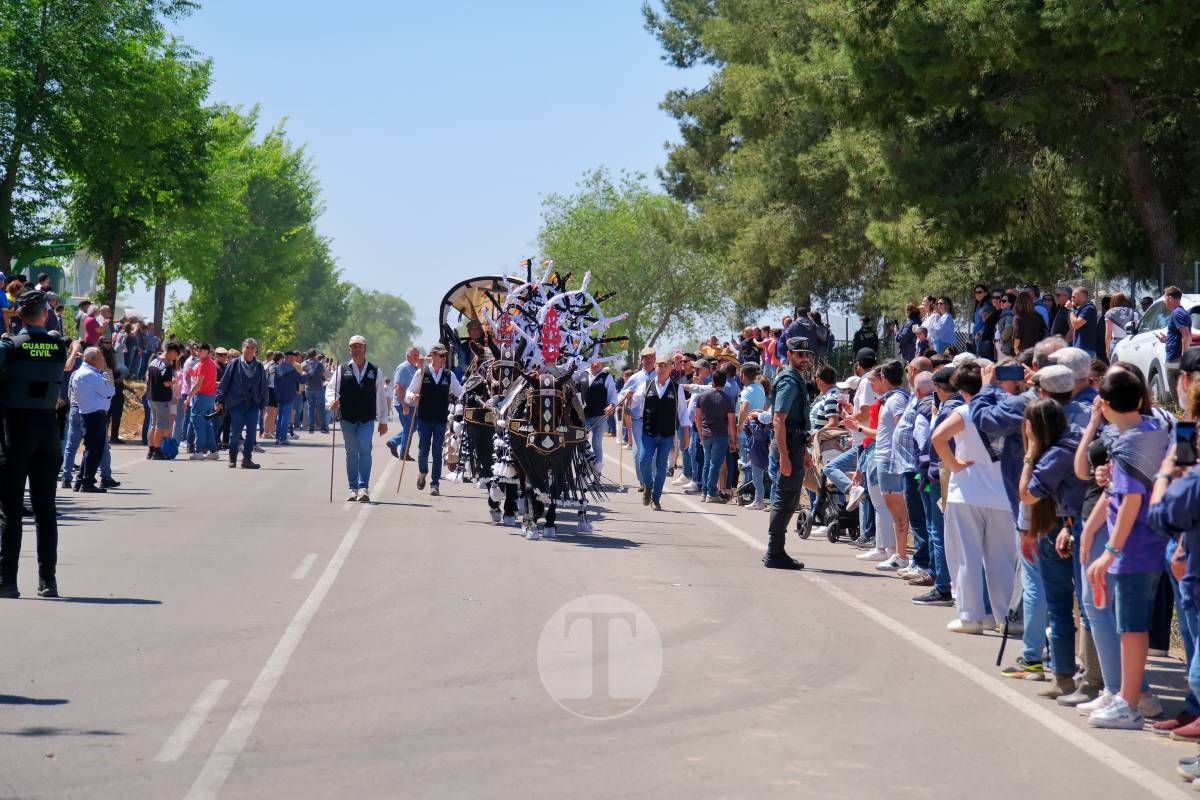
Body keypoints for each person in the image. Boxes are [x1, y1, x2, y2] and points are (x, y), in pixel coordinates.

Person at [931, 362, 1017, 633]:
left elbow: (937, 437)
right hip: (1003, 495)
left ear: (962, 391)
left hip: (967, 492)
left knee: (965, 556)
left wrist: (954, 465)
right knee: (1003, 561)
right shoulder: (1007, 410)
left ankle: (970, 616)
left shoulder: (965, 411)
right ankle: (1008, 618)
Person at [0, 290, 70, 598]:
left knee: (10, 510)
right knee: (45, 509)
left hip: (15, 430)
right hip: (47, 430)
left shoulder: (10, 346)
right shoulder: (58, 347)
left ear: (18, 314)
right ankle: (47, 581)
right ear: (45, 314)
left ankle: (7, 582)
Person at [764, 337, 814, 570]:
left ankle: (776, 551)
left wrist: (802, 452)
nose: (805, 359)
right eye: (800, 354)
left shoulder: (796, 379)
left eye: (807, 355)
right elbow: (778, 420)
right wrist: (784, 455)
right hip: (788, 446)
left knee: (790, 498)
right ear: (790, 354)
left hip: (794, 445)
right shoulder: (789, 381)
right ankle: (774, 552)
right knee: (785, 499)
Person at [325, 335, 391, 501]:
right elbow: (331, 389)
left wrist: (383, 420)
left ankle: (363, 487)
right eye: (354, 347)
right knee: (351, 452)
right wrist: (332, 400)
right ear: (349, 350)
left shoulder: (375, 371)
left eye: (359, 346)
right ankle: (352, 488)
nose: (357, 349)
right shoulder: (342, 369)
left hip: (367, 418)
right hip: (347, 417)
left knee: (365, 449)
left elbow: (380, 397)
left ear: (365, 348)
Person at [403, 342, 461, 497]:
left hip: (441, 419)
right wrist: (413, 397)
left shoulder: (449, 375)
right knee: (423, 449)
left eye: (445, 355)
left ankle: (435, 484)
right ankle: (423, 472)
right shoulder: (422, 373)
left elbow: (460, 392)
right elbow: (409, 392)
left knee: (437, 451)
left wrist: (468, 398)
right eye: (441, 355)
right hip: (424, 418)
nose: (444, 358)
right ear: (432, 356)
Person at [638, 354, 689, 511]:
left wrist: (686, 435)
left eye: (665, 365)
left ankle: (656, 498)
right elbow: (634, 402)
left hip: (667, 435)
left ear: (671, 367)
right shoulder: (646, 385)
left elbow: (683, 413)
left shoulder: (677, 388)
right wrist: (627, 399)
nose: (662, 368)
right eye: (659, 365)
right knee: (643, 460)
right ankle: (648, 485)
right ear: (655, 367)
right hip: (648, 433)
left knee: (661, 468)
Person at [214, 338, 268, 470]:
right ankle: (232, 458)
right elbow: (224, 383)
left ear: (255, 351)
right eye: (247, 347)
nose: (249, 350)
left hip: (253, 403)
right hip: (237, 403)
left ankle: (247, 459)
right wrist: (219, 400)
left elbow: (263, 386)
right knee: (235, 432)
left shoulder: (259, 366)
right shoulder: (235, 363)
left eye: (252, 348)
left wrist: (263, 405)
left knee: (251, 433)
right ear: (243, 349)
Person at [70, 347, 115, 494]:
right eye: (101, 358)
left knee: (91, 449)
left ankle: (81, 481)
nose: (103, 361)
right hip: (94, 415)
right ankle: (87, 482)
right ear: (93, 360)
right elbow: (110, 391)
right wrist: (107, 385)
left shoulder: (87, 373)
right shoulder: (90, 374)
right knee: (94, 450)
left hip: (90, 414)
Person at [616, 347, 658, 492]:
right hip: (638, 419)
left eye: (650, 357)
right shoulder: (635, 377)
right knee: (638, 452)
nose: (648, 360)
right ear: (641, 360)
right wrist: (626, 395)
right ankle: (643, 481)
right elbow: (620, 395)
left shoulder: (661, 375)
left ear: (655, 359)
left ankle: (650, 481)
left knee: (652, 452)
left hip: (655, 419)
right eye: (645, 358)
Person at [695, 368, 735, 504]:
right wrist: (733, 440)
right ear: (724, 382)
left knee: (707, 463)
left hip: (706, 434)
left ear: (713, 381)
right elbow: (731, 422)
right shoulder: (728, 399)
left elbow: (697, 418)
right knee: (714, 464)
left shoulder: (703, 396)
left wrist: (700, 433)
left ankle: (705, 492)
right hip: (720, 435)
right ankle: (711, 492)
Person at [580, 358, 617, 476]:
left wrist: (612, 405)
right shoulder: (582, 374)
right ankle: (585, 471)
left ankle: (597, 474)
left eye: (599, 361)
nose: (596, 363)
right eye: (594, 360)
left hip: (600, 416)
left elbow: (613, 394)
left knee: (596, 443)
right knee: (581, 443)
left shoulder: (606, 376)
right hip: (583, 416)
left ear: (602, 362)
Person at [146, 343, 181, 460]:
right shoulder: (166, 365)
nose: (175, 358)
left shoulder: (154, 362)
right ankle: (157, 450)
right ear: (172, 352)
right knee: (160, 426)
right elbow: (166, 383)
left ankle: (150, 450)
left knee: (153, 424)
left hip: (151, 396)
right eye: (175, 355)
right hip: (162, 398)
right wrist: (174, 382)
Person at [386, 346, 422, 459]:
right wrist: (404, 404)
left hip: (412, 403)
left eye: (418, 354)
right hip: (403, 403)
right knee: (408, 428)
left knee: (412, 427)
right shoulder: (403, 368)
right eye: (414, 355)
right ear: (407, 356)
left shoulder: (415, 368)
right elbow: (398, 387)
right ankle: (404, 453)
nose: (417, 357)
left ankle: (393, 442)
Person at [186, 343, 219, 460]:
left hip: (201, 397)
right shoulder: (212, 364)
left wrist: (188, 398)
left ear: (207, 352)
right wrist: (194, 374)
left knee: (198, 423)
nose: (198, 352)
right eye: (197, 350)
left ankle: (199, 451)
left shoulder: (202, 364)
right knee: (207, 425)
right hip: (210, 397)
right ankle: (213, 451)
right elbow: (206, 380)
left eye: (200, 350)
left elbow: (198, 385)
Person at [273, 351, 304, 446]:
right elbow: (301, 379)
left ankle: (278, 437)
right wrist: (306, 374)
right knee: (285, 417)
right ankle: (283, 438)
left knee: (280, 417)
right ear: (289, 358)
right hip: (289, 394)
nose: (294, 359)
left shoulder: (278, 367)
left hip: (279, 394)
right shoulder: (289, 368)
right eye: (293, 357)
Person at [1104, 291, 1139, 357]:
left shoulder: (1110, 313)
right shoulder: (1134, 312)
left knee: (1117, 363)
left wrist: (1107, 350)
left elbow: (1108, 334)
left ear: (1113, 301)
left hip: (1116, 343)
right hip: (1131, 342)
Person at [1067, 287, 1099, 357]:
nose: (1071, 299)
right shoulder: (1082, 308)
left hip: (1085, 350)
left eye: (1073, 297)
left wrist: (1071, 309)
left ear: (1080, 296)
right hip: (1081, 349)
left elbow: (1076, 324)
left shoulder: (1089, 308)